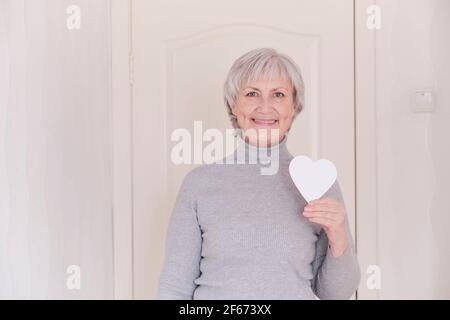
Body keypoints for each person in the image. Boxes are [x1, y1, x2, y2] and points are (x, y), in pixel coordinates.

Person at [156, 48, 361, 299]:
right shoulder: (199, 184)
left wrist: (338, 235)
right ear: (233, 104)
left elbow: (336, 294)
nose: (265, 107)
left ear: (294, 106)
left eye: (278, 94)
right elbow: (174, 287)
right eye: (252, 94)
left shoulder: (317, 184)